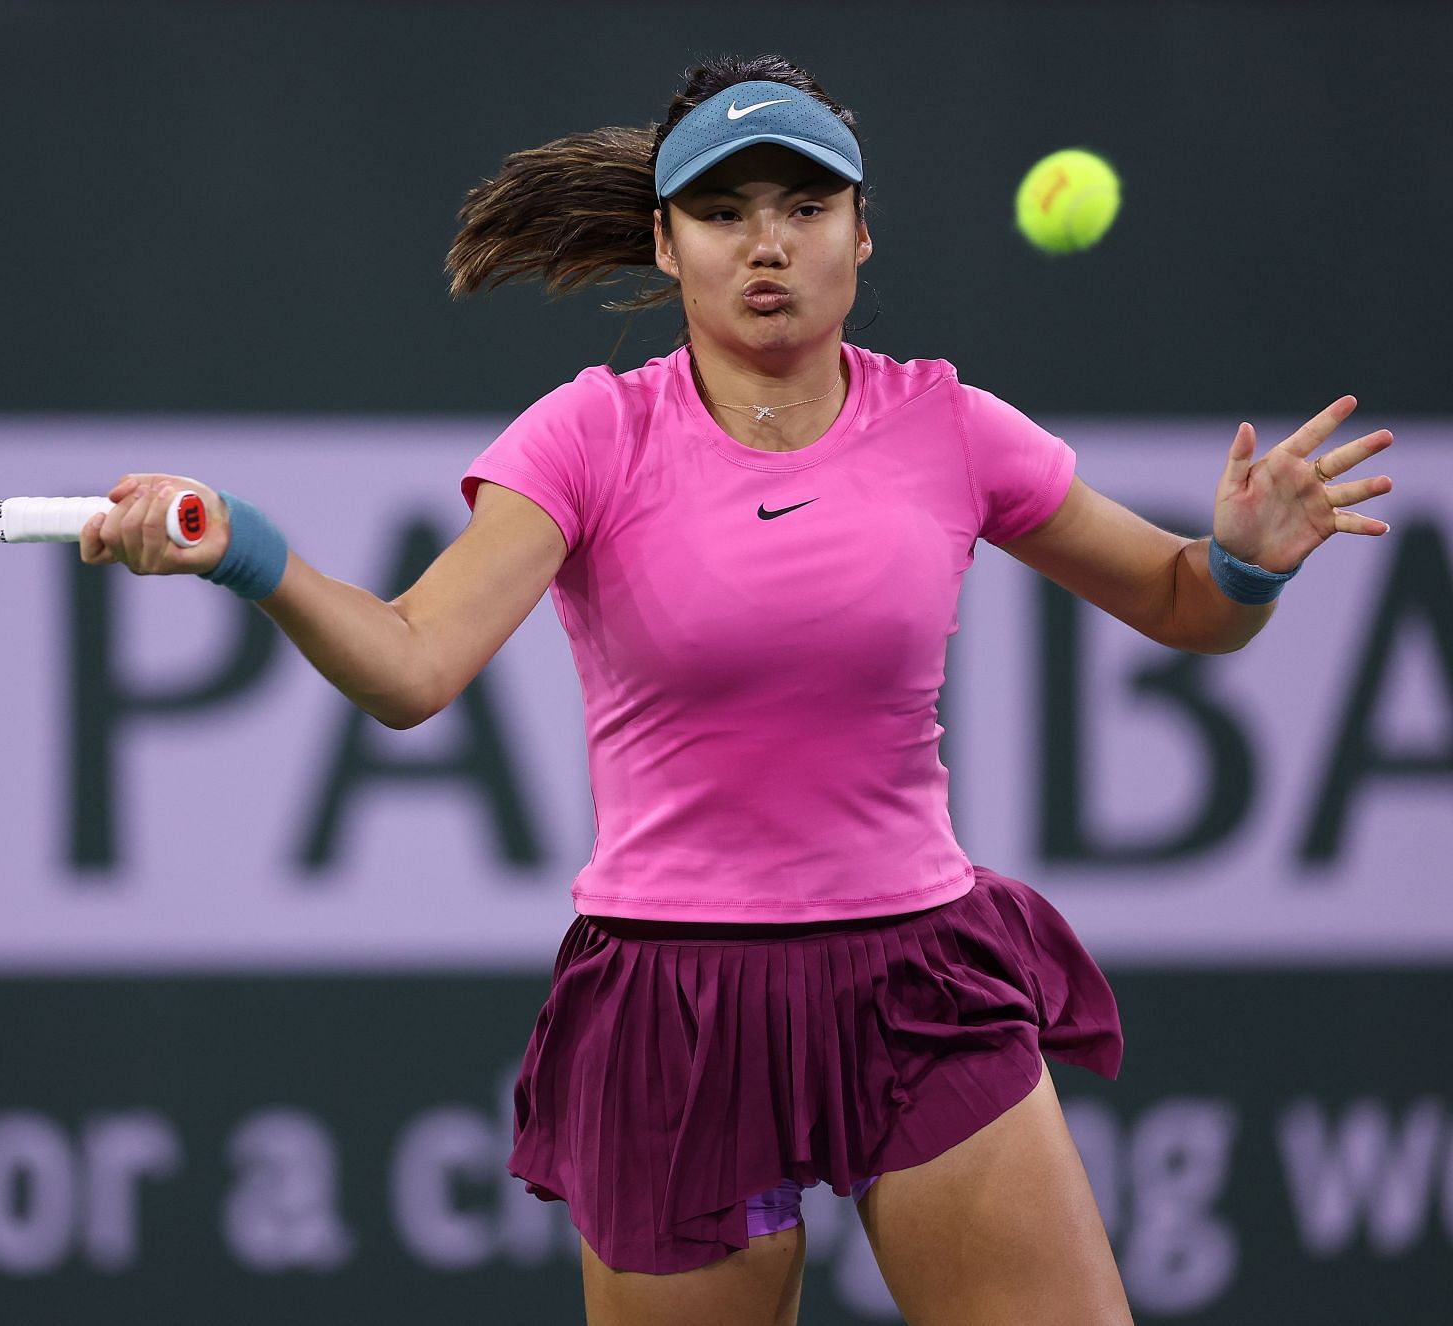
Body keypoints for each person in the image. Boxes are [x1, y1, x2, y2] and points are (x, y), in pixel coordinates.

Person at [79, 53, 1396, 1326]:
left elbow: (1181, 603)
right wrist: (248, 555)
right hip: (674, 1005)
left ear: (861, 233)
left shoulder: (950, 425)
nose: (766, 244)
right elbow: (415, 665)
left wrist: (1239, 559)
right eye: (722, 212)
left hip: (918, 979)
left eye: (804, 207)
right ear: (667, 244)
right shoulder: (590, 434)